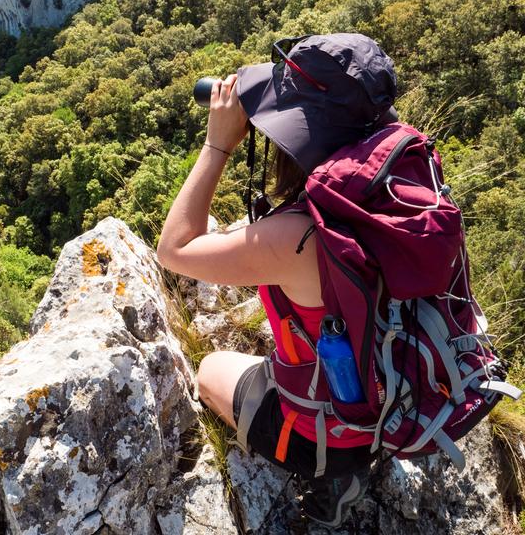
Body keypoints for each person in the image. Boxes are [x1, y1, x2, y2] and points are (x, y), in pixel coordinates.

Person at [156, 34, 399, 527]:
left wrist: (218, 142)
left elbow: (174, 249)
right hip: (400, 391)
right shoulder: (403, 184)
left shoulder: (296, 236)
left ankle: (331, 476)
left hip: (333, 428)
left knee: (210, 370)